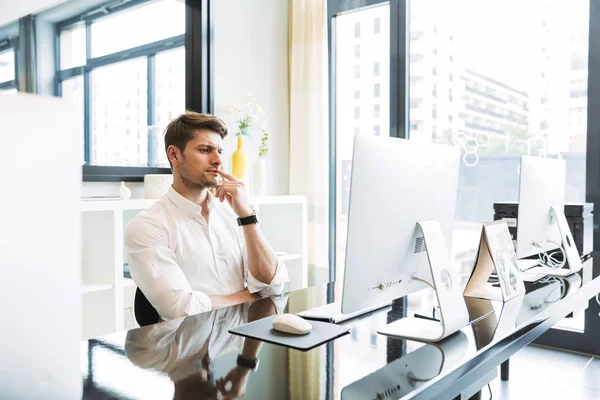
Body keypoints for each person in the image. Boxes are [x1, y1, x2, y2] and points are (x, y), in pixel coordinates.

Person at [125, 112, 288, 320]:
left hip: (238, 344)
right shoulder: (147, 226)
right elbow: (182, 309)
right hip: (189, 349)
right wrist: (250, 296)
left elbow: (274, 286)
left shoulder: (232, 212)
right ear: (174, 155)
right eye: (205, 150)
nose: (218, 160)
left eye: (219, 150)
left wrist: (247, 216)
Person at [125, 296, 282, 400]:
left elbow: (178, 296)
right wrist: (244, 367)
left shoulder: (145, 355)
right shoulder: (237, 341)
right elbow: (270, 300)